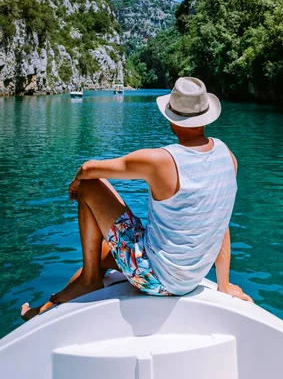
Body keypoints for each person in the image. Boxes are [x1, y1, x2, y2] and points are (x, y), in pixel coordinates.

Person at [21, 77, 252, 321]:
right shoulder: (228, 156)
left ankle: (88, 283)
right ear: (206, 116)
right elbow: (220, 221)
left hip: (155, 278)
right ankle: (46, 308)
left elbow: (88, 169)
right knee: (100, 255)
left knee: (90, 186)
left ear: (170, 118)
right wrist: (224, 284)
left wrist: (76, 182)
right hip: (190, 277)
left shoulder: (162, 160)